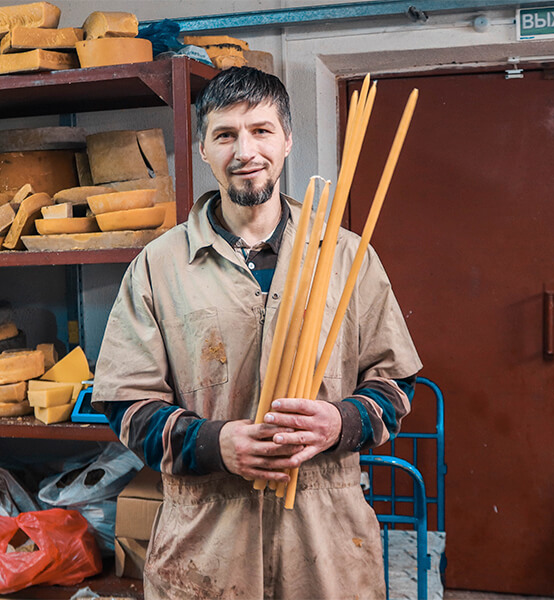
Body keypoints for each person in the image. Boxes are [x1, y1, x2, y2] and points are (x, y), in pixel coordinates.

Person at [93, 66, 422, 599]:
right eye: (226, 134)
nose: (246, 151)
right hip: (205, 546)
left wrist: (338, 423)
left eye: (261, 130)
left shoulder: (345, 257)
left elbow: (395, 387)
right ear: (203, 148)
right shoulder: (158, 265)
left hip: (327, 545)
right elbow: (125, 404)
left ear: (287, 139)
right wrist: (214, 443)